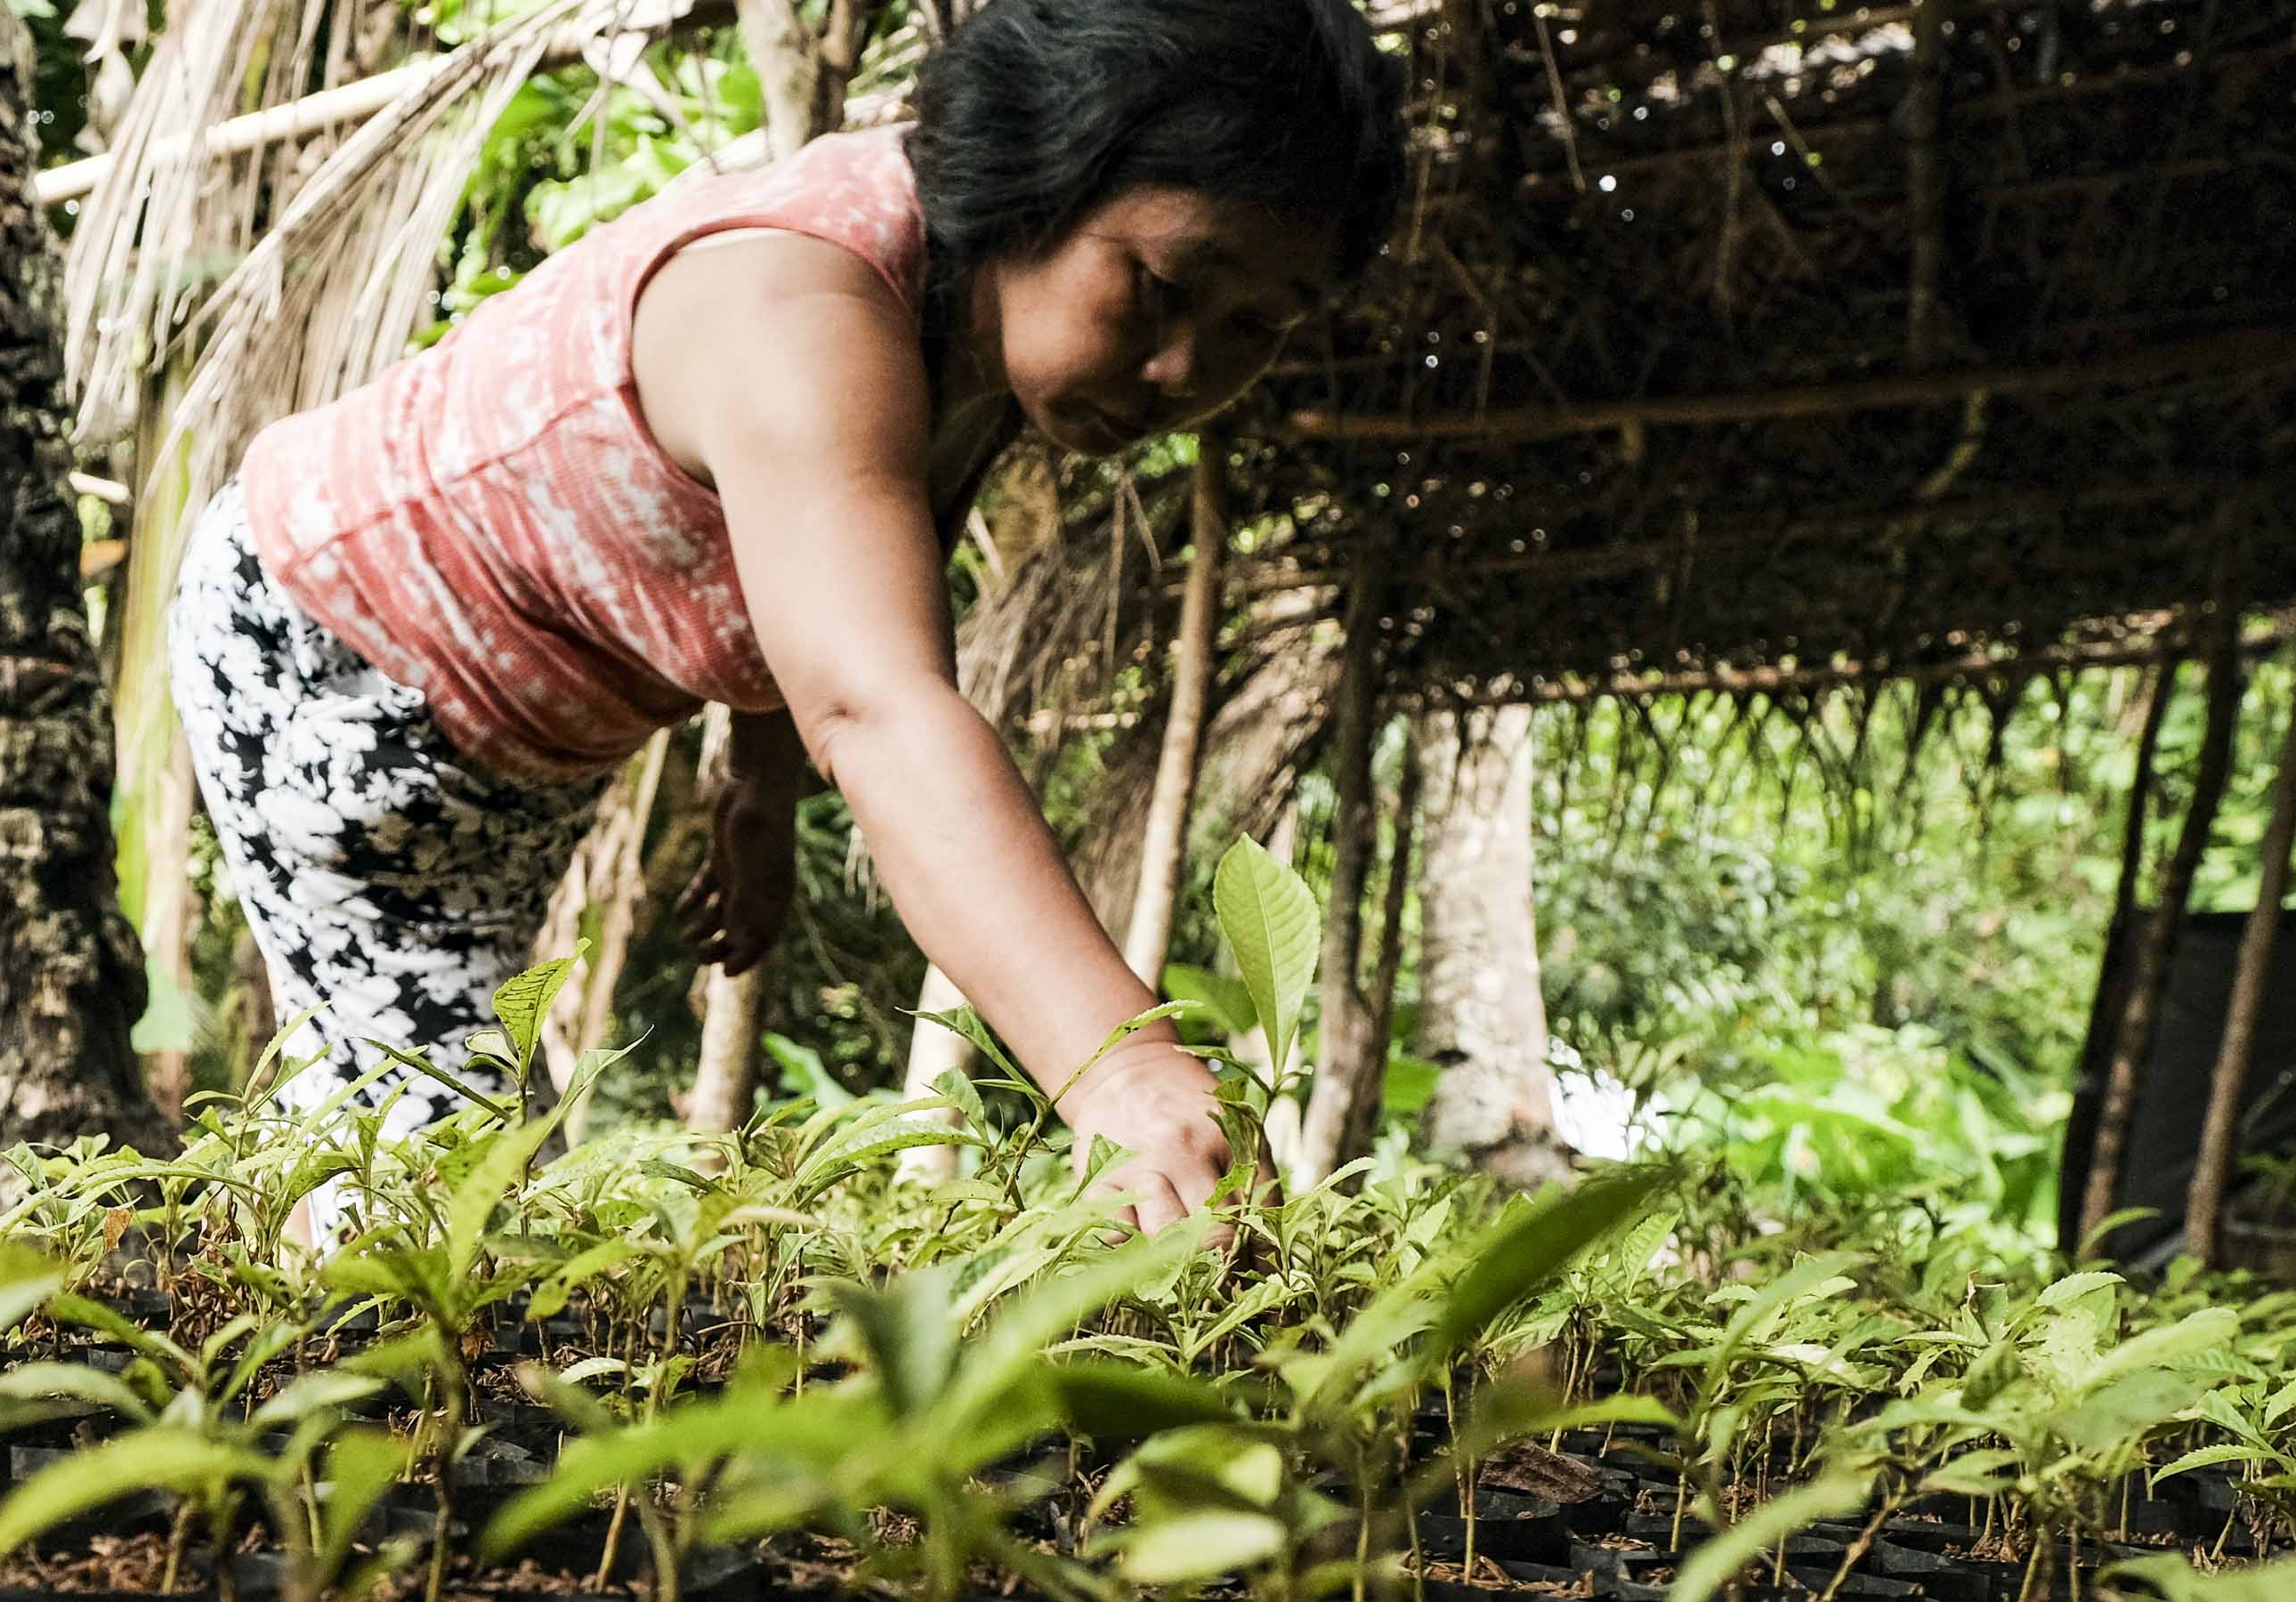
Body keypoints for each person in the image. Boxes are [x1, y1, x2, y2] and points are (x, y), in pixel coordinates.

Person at [171, 0, 1405, 1232]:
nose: (1185, 369)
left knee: (420, 1139)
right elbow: (875, 701)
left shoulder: (962, 333)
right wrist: (1121, 1067)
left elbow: (821, 572)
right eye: (1161, 286)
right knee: (437, 1195)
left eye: (1252, 327)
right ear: (1043, 171)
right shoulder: (805, 308)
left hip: (512, 754)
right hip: (328, 657)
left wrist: (760, 790)